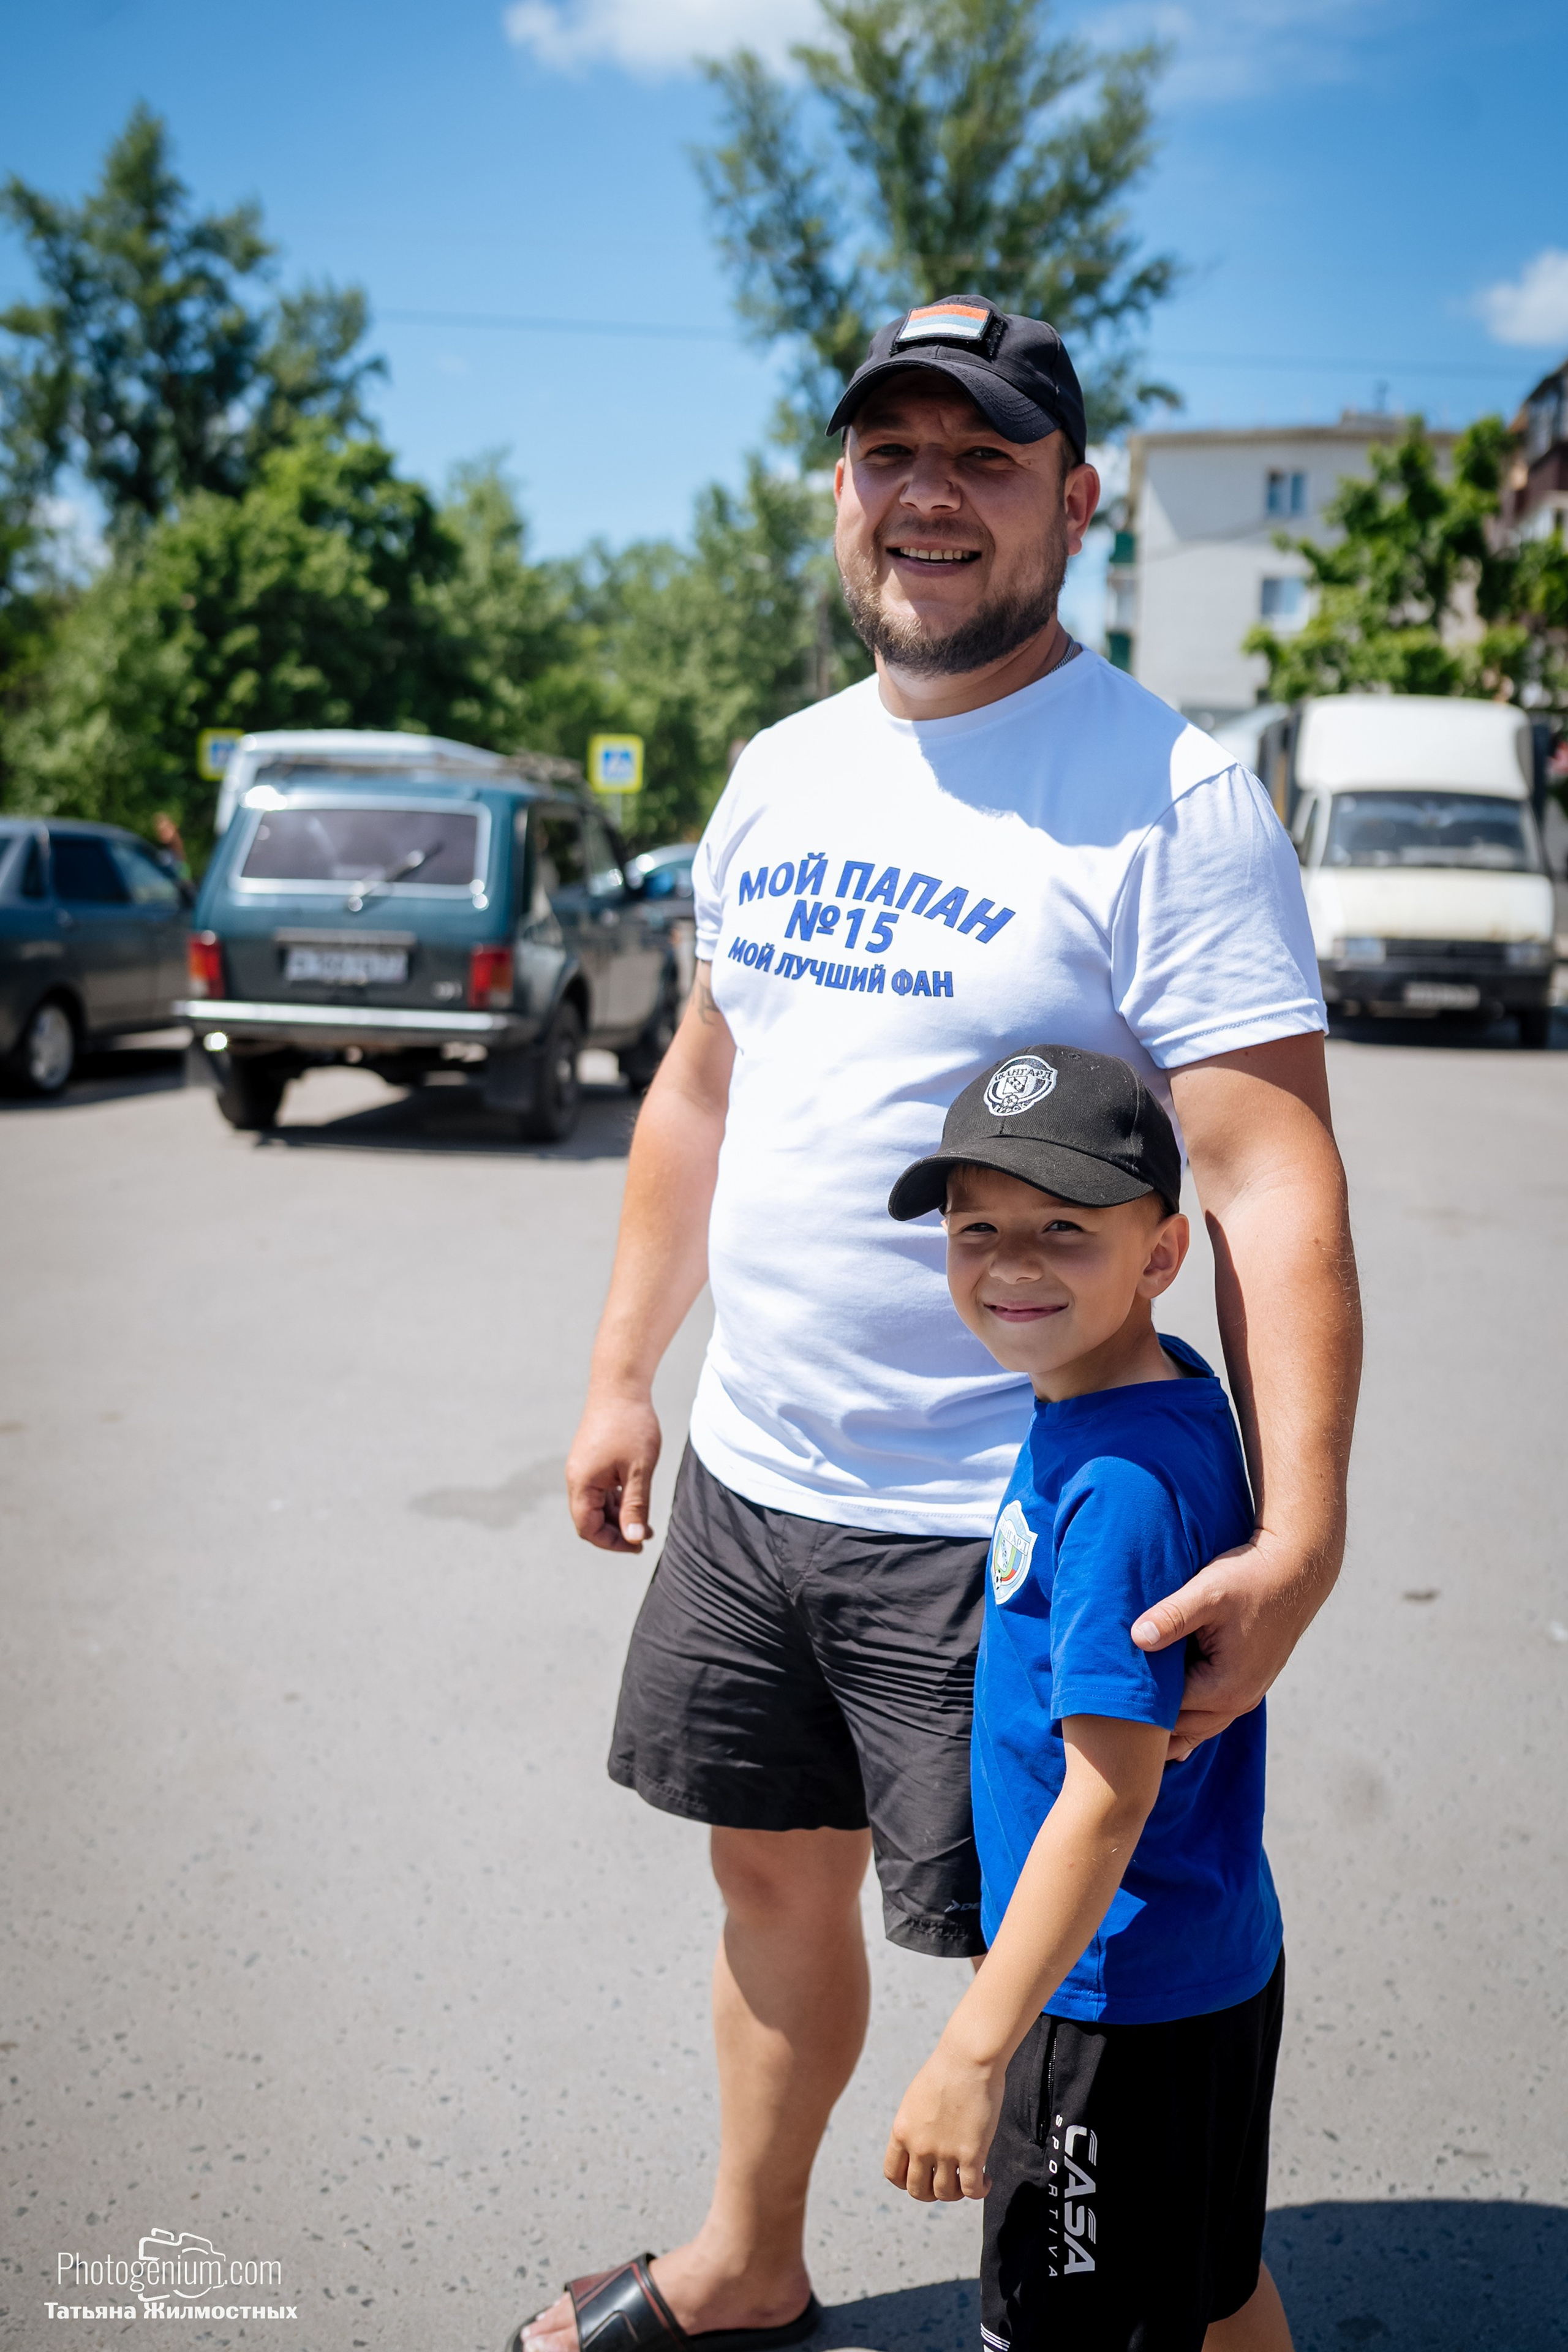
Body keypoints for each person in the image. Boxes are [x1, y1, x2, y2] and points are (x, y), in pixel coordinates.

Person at [522, 296, 1359, 2352]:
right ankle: (745, 2262)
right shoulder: (781, 772)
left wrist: (1305, 1522)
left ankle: (1186, 2296)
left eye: (984, 458)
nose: (929, 495)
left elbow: (1267, 1176)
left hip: (1005, 1526)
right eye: (893, 452)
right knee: (769, 1887)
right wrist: (632, 1372)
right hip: (756, 1484)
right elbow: (707, 1090)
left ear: (1073, 503)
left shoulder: (1167, 796)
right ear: (841, 491)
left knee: (1090, 2007)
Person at [882, 1044, 1291, 2352]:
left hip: (1102, 2004)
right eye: (977, 1228)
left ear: (1160, 1253)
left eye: (1063, 1230)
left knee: (1069, 2328)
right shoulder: (1154, 1389)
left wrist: (973, 2048)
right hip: (1204, 1960)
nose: (1010, 1265)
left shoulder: (1112, 1488)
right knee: (1212, 2284)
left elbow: (1105, 1798)